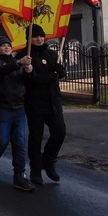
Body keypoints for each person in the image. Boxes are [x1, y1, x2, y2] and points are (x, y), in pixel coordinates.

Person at [0, 36, 35, 191]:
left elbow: (24, 81)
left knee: (19, 144)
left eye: (8, 45)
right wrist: (18, 63)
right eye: (3, 45)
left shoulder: (16, 61)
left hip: (19, 107)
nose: (6, 47)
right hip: (2, 108)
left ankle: (19, 175)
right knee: (2, 141)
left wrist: (28, 71)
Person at [17, 24, 67, 185]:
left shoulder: (51, 53)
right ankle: (36, 170)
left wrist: (60, 70)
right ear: (29, 38)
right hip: (34, 103)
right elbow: (32, 80)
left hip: (53, 102)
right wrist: (51, 76)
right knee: (36, 137)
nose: (39, 39)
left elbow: (60, 74)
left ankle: (48, 160)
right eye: (35, 36)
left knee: (59, 132)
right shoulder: (24, 55)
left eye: (41, 36)